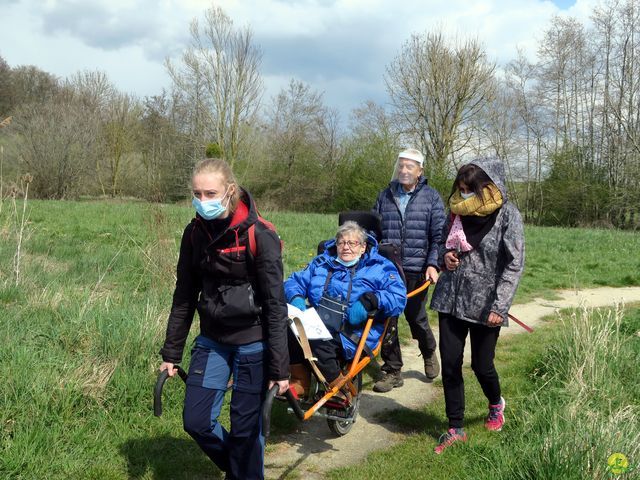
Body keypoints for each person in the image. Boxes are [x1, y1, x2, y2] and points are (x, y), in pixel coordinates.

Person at [158, 158, 289, 480]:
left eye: (210, 193)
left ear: (230, 190)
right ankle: (243, 470)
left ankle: (245, 471)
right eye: (197, 193)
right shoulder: (193, 234)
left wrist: (279, 368)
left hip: (253, 345)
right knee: (197, 422)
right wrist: (171, 353)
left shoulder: (261, 234)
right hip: (212, 342)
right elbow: (184, 295)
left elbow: (275, 305)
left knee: (246, 431)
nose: (203, 201)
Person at [430, 158, 525, 454]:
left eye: (470, 190)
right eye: (461, 189)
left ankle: (496, 404)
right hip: (451, 298)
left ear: (488, 188)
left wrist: (500, 305)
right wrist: (445, 256)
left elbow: (514, 263)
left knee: (482, 366)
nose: (465, 196)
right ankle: (455, 427)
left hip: (487, 306)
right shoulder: (456, 211)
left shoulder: (507, 215)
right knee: (450, 364)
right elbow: (444, 243)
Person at [284, 221, 407, 401]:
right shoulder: (321, 262)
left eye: (352, 243)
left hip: (354, 330)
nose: (346, 247)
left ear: (363, 247)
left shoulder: (380, 267)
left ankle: (340, 388)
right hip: (320, 321)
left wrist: (370, 300)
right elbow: (294, 281)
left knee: (316, 342)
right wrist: (295, 296)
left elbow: (399, 296)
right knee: (287, 329)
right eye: (341, 242)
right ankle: (300, 381)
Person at [372, 148, 446, 392]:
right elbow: (373, 231)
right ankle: (393, 370)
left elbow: (439, 236)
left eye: (409, 167)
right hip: (388, 269)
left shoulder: (432, 197)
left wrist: (433, 264)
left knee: (416, 317)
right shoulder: (385, 195)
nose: (404, 170)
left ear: (419, 171)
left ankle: (428, 351)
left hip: (417, 268)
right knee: (387, 319)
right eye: (401, 166)